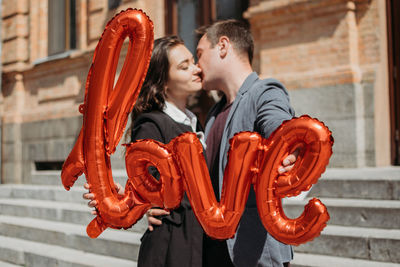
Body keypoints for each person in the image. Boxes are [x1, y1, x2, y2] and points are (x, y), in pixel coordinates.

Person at [84, 35, 205, 267]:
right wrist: (128, 200)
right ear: (164, 81)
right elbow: (149, 185)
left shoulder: (194, 120)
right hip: (172, 246)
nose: (196, 69)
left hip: (196, 241)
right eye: (184, 66)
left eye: (193, 61)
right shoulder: (152, 124)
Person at [196, 20, 295, 267]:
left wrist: (290, 151)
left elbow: (282, 129)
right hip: (215, 251)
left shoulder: (264, 92)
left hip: (254, 253)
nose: (197, 67)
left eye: (199, 54)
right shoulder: (214, 113)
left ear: (223, 46)